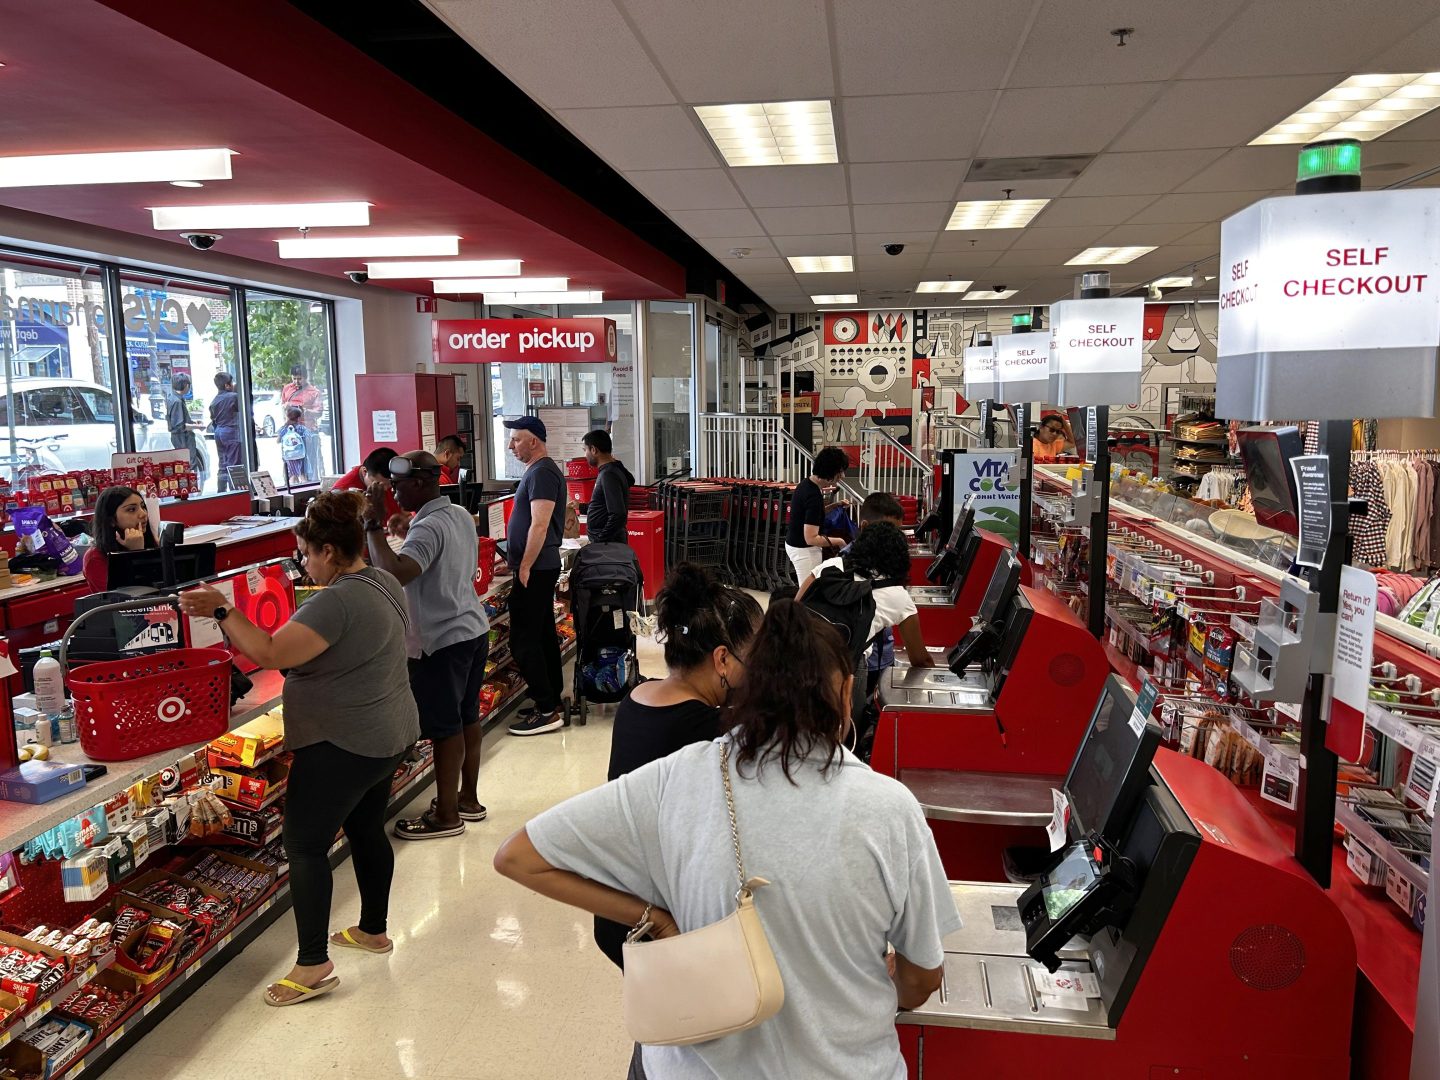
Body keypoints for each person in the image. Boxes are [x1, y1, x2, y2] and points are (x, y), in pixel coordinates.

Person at [495, 601, 961, 1080]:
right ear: (844, 693)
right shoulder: (888, 808)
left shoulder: (675, 777)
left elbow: (518, 857)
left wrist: (653, 917)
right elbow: (922, 976)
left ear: (744, 687)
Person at [178, 492, 420, 1006]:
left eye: (307, 553)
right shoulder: (382, 579)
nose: (305, 564)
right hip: (389, 733)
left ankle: (313, 964)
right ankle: (373, 930)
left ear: (329, 551)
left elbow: (268, 652)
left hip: (344, 742)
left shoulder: (337, 599)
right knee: (363, 827)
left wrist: (221, 609)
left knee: (305, 845)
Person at [595, 562, 763, 969]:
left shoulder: (637, 700)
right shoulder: (708, 732)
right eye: (755, 657)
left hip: (618, 913)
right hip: (661, 922)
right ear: (722, 659)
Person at [364, 451, 490, 839]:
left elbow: (397, 573)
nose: (393, 492)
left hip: (440, 641)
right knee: (468, 717)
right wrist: (405, 527)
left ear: (419, 483)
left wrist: (372, 524)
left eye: (398, 485)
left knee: (444, 727)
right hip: (472, 628)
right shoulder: (456, 515)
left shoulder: (428, 527)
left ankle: (446, 816)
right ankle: (468, 799)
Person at [797, 517, 935, 724]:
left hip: (798, 657)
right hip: (846, 667)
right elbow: (920, 659)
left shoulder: (831, 566)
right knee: (847, 728)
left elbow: (795, 605)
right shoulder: (898, 596)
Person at [501, 416, 569, 736]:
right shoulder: (538, 471)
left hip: (537, 567)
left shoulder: (542, 472)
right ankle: (551, 698)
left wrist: (524, 565)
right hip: (537, 566)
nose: (511, 445)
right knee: (541, 635)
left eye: (516, 440)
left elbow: (539, 525)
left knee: (523, 640)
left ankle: (545, 710)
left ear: (534, 441)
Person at [785, 446, 850, 584]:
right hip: (804, 551)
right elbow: (811, 538)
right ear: (831, 470)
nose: (842, 476)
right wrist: (839, 541)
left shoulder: (806, 484)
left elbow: (812, 517)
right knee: (808, 595)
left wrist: (835, 505)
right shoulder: (813, 495)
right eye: (840, 471)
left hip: (794, 544)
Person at [83, 486, 155, 593]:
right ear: (111, 520)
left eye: (143, 506)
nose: (143, 514)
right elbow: (129, 599)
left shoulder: (150, 541)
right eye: (131, 509)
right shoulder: (95, 558)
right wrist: (136, 553)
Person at [581, 429, 634, 545]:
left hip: (608, 546)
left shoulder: (608, 474)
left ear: (594, 450)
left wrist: (601, 540)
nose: (585, 455)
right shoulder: (613, 469)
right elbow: (631, 480)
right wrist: (581, 507)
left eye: (585, 450)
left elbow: (618, 514)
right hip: (610, 543)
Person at [333, 446, 402, 520]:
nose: (385, 489)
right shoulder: (343, 493)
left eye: (391, 483)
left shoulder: (395, 478)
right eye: (378, 483)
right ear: (364, 472)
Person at [281, 365, 324, 482]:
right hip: (291, 432)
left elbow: (319, 412)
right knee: (291, 463)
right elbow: (283, 406)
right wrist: (286, 408)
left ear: (306, 377)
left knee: (309, 463)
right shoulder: (287, 389)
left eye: (299, 379)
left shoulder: (314, 392)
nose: (296, 381)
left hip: (308, 431)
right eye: (294, 378)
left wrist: (304, 410)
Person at [166, 373, 207, 487]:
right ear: (185, 385)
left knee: (183, 466)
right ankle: (188, 490)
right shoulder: (177, 401)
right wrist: (198, 427)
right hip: (183, 439)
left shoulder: (172, 398)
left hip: (179, 438)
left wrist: (193, 423)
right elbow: (180, 425)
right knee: (187, 466)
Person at [209, 372, 243, 491]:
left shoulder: (214, 401)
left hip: (219, 432)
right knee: (234, 463)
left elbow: (213, 419)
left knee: (223, 463)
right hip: (231, 432)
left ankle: (221, 492)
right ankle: (234, 492)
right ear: (227, 385)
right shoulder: (233, 397)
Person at [278, 406, 309, 486]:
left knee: (292, 475)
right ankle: (304, 489)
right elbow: (308, 439)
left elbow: (278, 440)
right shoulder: (302, 428)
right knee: (302, 474)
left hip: (288, 456)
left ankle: (291, 489)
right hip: (300, 455)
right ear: (298, 418)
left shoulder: (283, 428)